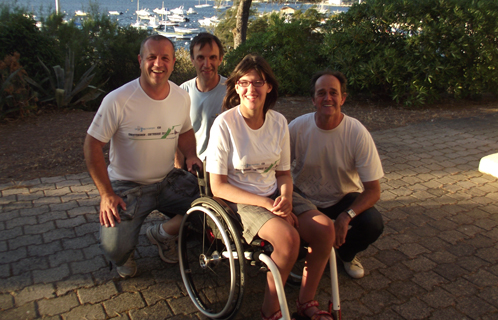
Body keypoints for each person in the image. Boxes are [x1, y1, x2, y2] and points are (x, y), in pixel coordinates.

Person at [205, 54, 335, 320]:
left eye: (258, 82)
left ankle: (306, 301)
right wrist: (268, 204)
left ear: (269, 86)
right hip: (239, 201)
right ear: (236, 87)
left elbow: (284, 174)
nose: (251, 89)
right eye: (245, 82)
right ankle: (270, 311)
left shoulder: (277, 122)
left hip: (274, 192)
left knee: (325, 229)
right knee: (288, 240)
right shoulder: (225, 124)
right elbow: (217, 186)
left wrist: (285, 198)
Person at [83, 35, 202, 278]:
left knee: (212, 204)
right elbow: (92, 145)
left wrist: (191, 155)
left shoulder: (181, 96)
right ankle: (124, 253)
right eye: (152, 57)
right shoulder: (118, 100)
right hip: (127, 186)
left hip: (168, 180)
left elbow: (186, 130)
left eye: (165, 58)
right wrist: (106, 194)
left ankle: (163, 234)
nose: (158, 63)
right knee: (113, 249)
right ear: (140, 60)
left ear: (173, 63)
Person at [289, 70, 384, 279]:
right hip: (305, 198)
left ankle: (345, 253)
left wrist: (346, 216)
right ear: (313, 100)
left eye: (333, 92)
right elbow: (279, 170)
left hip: (342, 198)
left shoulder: (357, 132)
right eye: (321, 93)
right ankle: (313, 251)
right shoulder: (297, 127)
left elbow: (373, 191)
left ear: (343, 98)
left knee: (373, 222)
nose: (328, 98)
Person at [175, 32, 226, 167]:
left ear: (220, 59)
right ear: (192, 59)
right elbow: (176, 136)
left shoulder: (232, 92)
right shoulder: (182, 92)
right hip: (190, 167)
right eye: (201, 58)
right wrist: (179, 172)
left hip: (222, 168)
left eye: (212, 57)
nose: (207, 64)